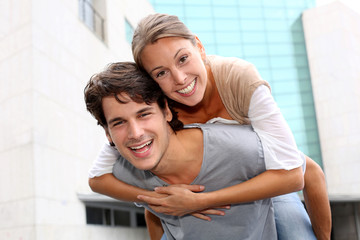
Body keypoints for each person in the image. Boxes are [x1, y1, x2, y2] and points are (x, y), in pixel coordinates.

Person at [88, 13, 331, 239]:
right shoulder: (157, 111)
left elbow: (300, 172)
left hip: (263, 181)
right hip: (198, 192)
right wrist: (158, 199)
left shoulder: (239, 80)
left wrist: (201, 201)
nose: (180, 79)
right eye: (161, 73)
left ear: (199, 47)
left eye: (183, 59)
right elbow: (98, 177)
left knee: (293, 226)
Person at [84, 61, 306, 239]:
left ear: (166, 112)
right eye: (118, 123)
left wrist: (203, 200)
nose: (135, 133)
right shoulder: (125, 169)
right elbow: (96, 181)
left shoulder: (239, 147)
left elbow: (305, 172)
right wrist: (157, 200)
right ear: (108, 134)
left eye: (144, 114)